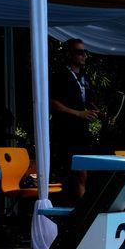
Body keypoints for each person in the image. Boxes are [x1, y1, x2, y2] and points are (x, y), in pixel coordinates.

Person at [49, 38, 99, 202]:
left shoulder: (84, 78)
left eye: (84, 52)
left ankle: (82, 211)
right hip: (66, 133)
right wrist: (78, 113)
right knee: (75, 173)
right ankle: (80, 214)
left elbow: (85, 103)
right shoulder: (60, 75)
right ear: (69, 54)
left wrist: (94, 111)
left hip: (82, 133)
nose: (83, 55)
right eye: (79, 52)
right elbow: (51, 103)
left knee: (83, 173)